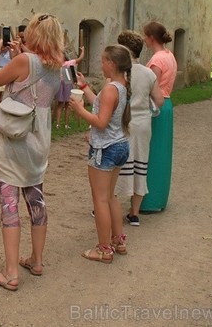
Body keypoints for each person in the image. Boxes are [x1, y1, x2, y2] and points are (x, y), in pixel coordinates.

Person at [0, 14, 63, 291]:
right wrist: (23, 54)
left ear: (35, 34)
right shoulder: (57, 66)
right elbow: (36, 76)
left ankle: (11, 273)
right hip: (38, 141)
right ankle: (37, 261)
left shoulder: (23, 61)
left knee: (9, 205)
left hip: (14, 143)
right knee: (36, 199)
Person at [68, 45, 132, 263]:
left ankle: (104, 249)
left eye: (103, 61)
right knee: (111, 196)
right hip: (121, 144)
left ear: (112, 64)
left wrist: (79, 111)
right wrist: (84, 87)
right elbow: (102, 106)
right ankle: (118, 240)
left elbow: (101, 122)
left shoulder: (110, 89)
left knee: (100, 200)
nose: (101, 64)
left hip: (105, 149)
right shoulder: (120, 86)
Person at [115, 31, 165, 226]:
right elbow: (159, 100)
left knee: (117, 164)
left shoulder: (120, 72)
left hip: (122, 122)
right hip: (143, 124)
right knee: (140, 163)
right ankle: (134, 212)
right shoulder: (148, 73)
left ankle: (110, 204)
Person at [141, 21, 178, 212]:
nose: (144, 40)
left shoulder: (156, 60)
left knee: (151, 153)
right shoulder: (169, 55)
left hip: (156, 105)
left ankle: (149, 199)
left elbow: (151, 86)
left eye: (145, 36)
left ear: (151, 38)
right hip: (167, 104)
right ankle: (159, 198)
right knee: (161, 153)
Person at [54, 46, 85, 130]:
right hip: (67, 83)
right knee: (65, 104)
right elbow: (80, 58)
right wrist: (83, 50)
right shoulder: (69, 63)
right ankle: (64, 125)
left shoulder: (59, 64)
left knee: (62, 104)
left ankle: (59, 124)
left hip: (61, 84)